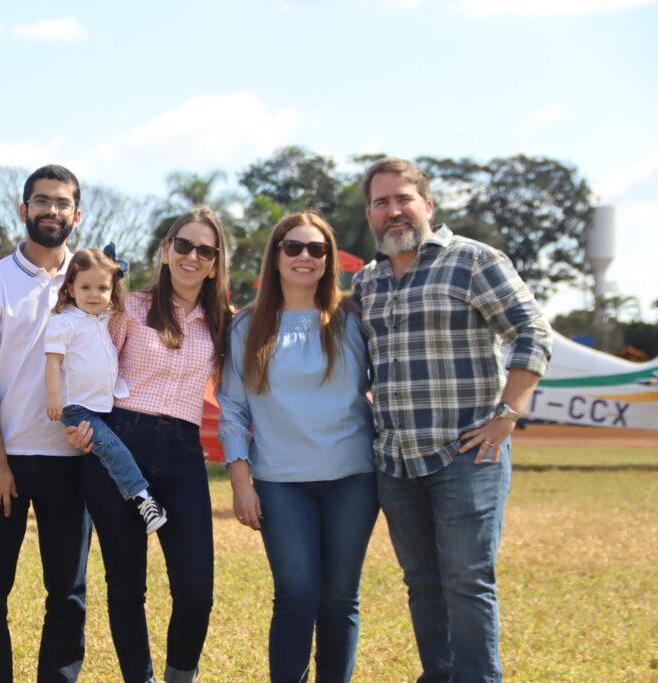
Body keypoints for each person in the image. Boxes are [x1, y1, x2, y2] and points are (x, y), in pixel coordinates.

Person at [352, 157, 552, 682]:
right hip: (395, 461)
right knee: (421, 580)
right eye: (382, 202)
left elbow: (532, 332)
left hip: (466, 454)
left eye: (403, 200)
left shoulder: (473, 261)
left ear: (427, 205)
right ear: (370, 213)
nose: (393, 211)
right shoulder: (366, 283)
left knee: (466, 580)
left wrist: (507, 415)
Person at [68, 207, 233, 683]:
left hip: (183, 453)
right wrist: (84, 424)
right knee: (126, 588)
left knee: (196, 589)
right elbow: (93, 368)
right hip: (121, 445)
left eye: (205, 250)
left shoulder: (223, 322)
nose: (192, 256)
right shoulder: (130, 308)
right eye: (183, 245)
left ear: (215, 263)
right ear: (166, 250)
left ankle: (181, 676)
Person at [217, 211, 379, 683]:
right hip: (280, 484)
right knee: (296, 595)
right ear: (276, 255)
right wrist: (241, 483)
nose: (305, 257)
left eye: (317, 249)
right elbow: (232, 409)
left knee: (339, 599)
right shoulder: (247, 326)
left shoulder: (353, 318)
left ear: (330, 260)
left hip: (354, 479)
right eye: (293, 247)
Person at [0, 164, 92, 682]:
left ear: (76, 215)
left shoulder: (92, 282)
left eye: (61, 203)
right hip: (0, 460)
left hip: (72, 461)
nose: (51, 211)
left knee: (69, 593)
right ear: (24, 210)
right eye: (42, 201)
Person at [45, 246, 167, 533]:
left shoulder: (105, 318)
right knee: (114, 450)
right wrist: (53, 397)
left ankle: (127, 504)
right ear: (71, 288)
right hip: (76, 406)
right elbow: (52, 362)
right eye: (85, 287)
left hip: (105, 405)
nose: (94, 294)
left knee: (116, 450)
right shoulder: (64, 322)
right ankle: (144, 500)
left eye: (102, 288)